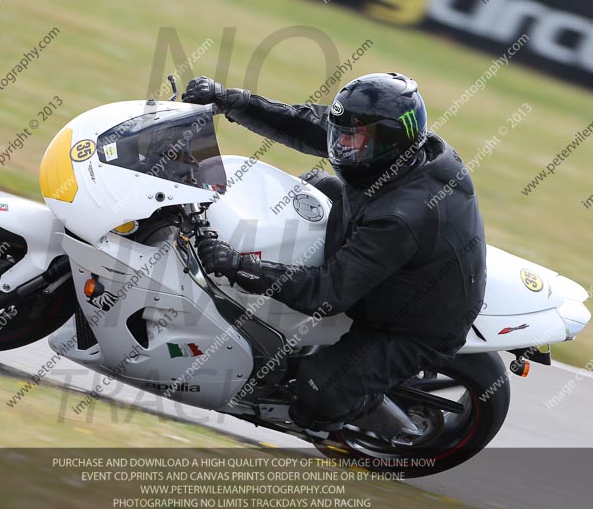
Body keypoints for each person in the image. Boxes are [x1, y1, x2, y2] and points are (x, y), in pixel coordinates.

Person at [183, 73, 487, 431]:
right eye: (341, 132)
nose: (342, 145)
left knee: (317, 394)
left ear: (389, 141)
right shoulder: (399, 153)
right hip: (382, 245)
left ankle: (373, 412)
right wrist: (232, 100)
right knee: (311, 189)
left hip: (412, 324)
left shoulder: (405, 215)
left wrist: (240, 266)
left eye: (352, 138)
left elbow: (328, 293)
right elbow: (309, 124)